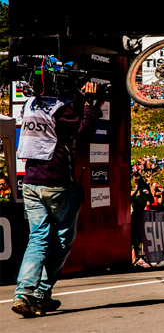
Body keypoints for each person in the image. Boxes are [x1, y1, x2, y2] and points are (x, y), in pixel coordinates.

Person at [12, 82, 103, 317]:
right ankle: (41, 293)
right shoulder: (61, 109)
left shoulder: (30, 104)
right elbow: (84, 132)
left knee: (38, 238)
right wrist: (92, 105)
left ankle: (23, 293)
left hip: (31, 182)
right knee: (63, 238)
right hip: (57, 181)